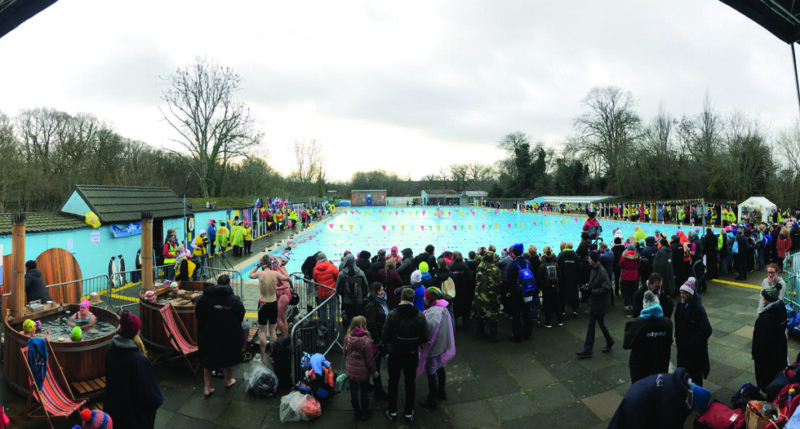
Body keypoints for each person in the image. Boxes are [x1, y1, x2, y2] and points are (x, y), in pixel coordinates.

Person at [104, 309, 162, 428]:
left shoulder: (112, 348)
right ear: (137, 331)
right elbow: (151, 396)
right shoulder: (138, 360)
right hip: (133, 418)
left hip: (114, 411)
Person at [607, 368, 711, 429]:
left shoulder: (681, 384)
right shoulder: (673, 399)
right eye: (694, 409)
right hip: (638, 403)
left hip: (640, 388)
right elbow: (668, 423)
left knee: (620, 422)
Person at [383, 288, 429, 423]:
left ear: (401, 298)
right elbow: (425, 337)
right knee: (410, 382)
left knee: (393, 382)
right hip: (411, 354)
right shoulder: (419, 316)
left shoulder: (392, 314)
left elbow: (385, 336)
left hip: (395, 353)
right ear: (413, 299)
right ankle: (408, 412)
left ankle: (392, 410)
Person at [195, 275, 245, 396]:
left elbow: (198, 314)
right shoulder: (234, 299)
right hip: (229, 334)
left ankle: (207, 388)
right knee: (230, 356)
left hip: (208, 333)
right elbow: (241, 315)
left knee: (207, 359)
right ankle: (228, 380)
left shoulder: (204, 298)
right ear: (229, 284)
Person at [417, 287, 455, 410]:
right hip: (442, 344)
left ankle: (431, 399)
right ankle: (441, 391)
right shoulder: (442, 308)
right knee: (440, 366)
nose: (423, 298)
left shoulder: (433, 313)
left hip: (433, 347)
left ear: (429, 299)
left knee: (431, 370)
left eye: (425, 297)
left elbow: (429, 330)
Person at [623, 291, 673, 383]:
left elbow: (626, 345)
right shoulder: (667, 323)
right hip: (660, 367)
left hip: (641, 369)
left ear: (644, 305)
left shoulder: (634, 324)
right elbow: (669, 341)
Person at [249, 256, 292, 362]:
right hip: (273, 304)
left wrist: (258, 265)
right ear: (271, 264)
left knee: (263, 332)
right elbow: (287, 278)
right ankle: (273, 357)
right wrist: (279, 266)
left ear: (263, 264)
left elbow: (250, 275)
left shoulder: (260, 273)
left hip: (262, 304)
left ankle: (263, 358)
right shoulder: (275, 273)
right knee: (272, 332)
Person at [674, 278, 712, 386]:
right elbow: (677, 322)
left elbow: (706, 330)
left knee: (695, 376)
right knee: (683, 373)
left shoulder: (699, 309)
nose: (681, 295)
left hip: (694, 352)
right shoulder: (680, 305)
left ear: (690, 294)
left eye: (684, 293)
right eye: (681, 292)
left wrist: (693, 341)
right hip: (683, 348)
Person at [576, 252, 614, 358]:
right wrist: (588, 285)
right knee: (598, 324)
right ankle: (609, 341)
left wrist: (592, 291)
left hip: (600, 303)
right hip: (596, 302)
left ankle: (588, 349)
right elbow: (594, 282)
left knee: (593, 324)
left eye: (589, 258)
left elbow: (607, 288)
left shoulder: (602, 272)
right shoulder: (594, 269)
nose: (588, 259)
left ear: (593, 260)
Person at [753, 285, 788, 394]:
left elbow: (760, 340)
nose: (762, 297)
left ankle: (767, 392)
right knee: (776, 372)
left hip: (767, 355)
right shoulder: (780, 308)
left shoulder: (766, 318)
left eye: (763, 296)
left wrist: (756, 354)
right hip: (779, 348)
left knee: (766, 376)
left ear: (768, 299)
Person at [344, 316, 378, 420]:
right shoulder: (366, 340)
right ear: (363, 325)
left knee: (353, 389)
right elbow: (369, 359)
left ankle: (356, 411)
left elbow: (344, 352)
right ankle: (364, 411)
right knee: (364, 389)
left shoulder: (348, 337)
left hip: (351, 370)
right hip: (364, 371)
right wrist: (374, 371)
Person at [363, 282, 389, 400]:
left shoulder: (380, 302)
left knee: (373, 363)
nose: (382, 292)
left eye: (383, 289)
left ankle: (367, 385)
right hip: (376, 339)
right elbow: (371, 324)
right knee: (375, 364)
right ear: (374, 292)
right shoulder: (371, 304)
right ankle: (378, 390)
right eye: (380, 290)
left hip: (379, 336)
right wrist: (378, 341)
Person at [504, 244, 533, 343]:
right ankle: (528, 334)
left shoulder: (513, 264)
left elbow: (509, 280)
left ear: (513, 252)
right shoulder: (528, 263)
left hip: (516, 293)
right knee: (527, 312)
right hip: (527, 291)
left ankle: (517, 335)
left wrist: (508, 291)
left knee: (516, 314)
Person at [472, 251, 502, 342]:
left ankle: (479, 333)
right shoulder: (496, 269)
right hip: (491, 296)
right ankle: (493, 336)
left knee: (480, 314)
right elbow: (498, 283)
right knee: (493, 316)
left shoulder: (479, 267)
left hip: (479, 295)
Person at [337, 253, 369, 330]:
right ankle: (360, 333)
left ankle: (350, 334)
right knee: (359, 319)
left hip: (347, 301)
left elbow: (338, 288)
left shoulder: (342, 274)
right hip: (359, 300)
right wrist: (363, 296)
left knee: (349, 319)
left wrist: (344, 293)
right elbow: (365, 286)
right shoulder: (360, 272)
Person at [536, 247, 562, 328]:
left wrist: (542, 286)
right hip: (555, 288)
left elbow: (538, 278)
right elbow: (559, 276)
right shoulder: (556, 265)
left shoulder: (542, 266)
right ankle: (560, 321)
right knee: (557, 304)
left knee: (547, 305)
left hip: (546, 289)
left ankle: (548, 322)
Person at [448, 251, 474, 330]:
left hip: (453, 292)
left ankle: (454, 325)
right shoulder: (465, 267)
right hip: (464, 292)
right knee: (465, 309)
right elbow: (470, 279)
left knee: (454, 310)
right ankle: (466, 325)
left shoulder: (449, 267)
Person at [557, 242, 581, 318]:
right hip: (574, 278)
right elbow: (579, 268)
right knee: (574, 293)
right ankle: (575, 309)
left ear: (566, 247)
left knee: (562, 294)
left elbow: (558, 267)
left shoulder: (561, 255)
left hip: (563, 278)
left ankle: (562, 310)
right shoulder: (576, 256)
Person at [312, 252, 339, 319]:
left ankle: (324, 324)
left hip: (321, 293)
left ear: (318, 259)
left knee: (323, 311)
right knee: (332, 311)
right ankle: (332, 324)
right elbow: (337, 277)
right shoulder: (332, 267)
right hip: (331, 293)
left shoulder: (315, 269)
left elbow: (315, 281)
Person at [619, 244, 641, 315]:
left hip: (625, 277)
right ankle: (633, 306)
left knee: (626, 292)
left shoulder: (624, 257)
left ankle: (627, 307)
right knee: (633, 292)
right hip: (634, 277)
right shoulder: (637, 257)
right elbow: (638, 266)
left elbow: (620, 265)